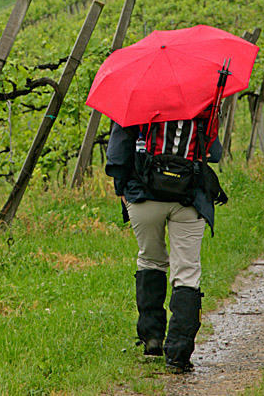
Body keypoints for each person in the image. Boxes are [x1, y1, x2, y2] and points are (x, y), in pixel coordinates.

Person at [105, 115, 225, 373]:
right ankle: (179, 353)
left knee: (150, 260)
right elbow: (214, 153)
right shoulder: (203, 99)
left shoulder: (138, 94)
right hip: (189, 197)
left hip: (145, 195)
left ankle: (152, 338)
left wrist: (123, 191)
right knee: (187, 272)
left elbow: (117, 153)